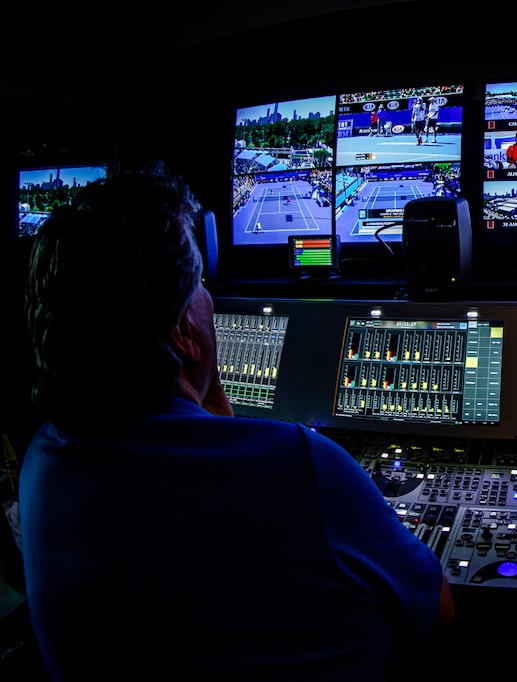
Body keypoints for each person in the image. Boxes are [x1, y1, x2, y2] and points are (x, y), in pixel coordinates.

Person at [19, 163, 455, 680]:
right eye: (201, 284)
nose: (208, 297)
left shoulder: (41, 460)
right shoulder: (304, 465)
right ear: (183, 332)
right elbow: (437, 610)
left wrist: (210, 407)